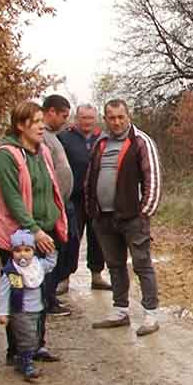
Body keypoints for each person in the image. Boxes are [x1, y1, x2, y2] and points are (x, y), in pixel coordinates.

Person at [0, 101, 68, 365]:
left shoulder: (42, 151)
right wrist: (34, 231)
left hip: (46, 232)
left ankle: (37, 345)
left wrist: (56, 222)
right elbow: (13, 200)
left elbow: (52, 187)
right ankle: (18, 351)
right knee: (20, 293)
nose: (42, 126)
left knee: (43, 291)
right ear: (21, 125)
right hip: (19, 238)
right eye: (36, 122)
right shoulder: (6, 154)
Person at [86, 99, 162, 336]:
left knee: (142, 265)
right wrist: (92, 210)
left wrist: (144, 212)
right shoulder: (100, 142)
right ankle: (120, 310)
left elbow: (153, 178)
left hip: (132, 218)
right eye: (111, 117)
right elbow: (90, 177)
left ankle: (150, 314)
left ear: (128, 116)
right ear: (105, 118)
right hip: (104, 218)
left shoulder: (140, 141)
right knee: (115, 265)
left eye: (121, 117)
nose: (116, 122)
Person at [58, 104, 110, 292]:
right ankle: (64, 278)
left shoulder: (104, 138)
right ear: (76, 118)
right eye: (83, 118)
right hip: (74, 198)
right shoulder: (64, 137)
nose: (86, 121)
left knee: (98, 238)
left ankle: (97, 275)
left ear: (95, 119)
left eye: (90, 118)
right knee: (71, 237)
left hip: (97, 198)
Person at [0, 229, 56, 381]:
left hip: (38, 309)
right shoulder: (11, 272)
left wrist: (51, 249)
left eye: (27, 250)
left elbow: (50, 263)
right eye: (17, 251)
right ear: (12, 252)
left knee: (35, 336)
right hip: (20, 311)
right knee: (27, 338)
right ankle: (25, 362)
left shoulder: (38, 266)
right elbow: (4, 294)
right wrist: (3, 313)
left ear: (33, 251)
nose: (22, 254)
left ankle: (24, 358)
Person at [40, 94, 74, 317]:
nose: (65, 121)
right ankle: (46, 301)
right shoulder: (40, 136)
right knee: (50, 256)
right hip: (50, 208)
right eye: (63, 116)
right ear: (50, 111)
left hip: (61, 205)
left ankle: (49, 297)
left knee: (61, 252)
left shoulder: (52, 136)